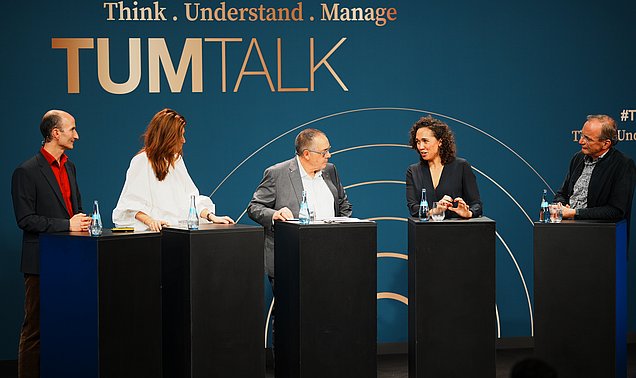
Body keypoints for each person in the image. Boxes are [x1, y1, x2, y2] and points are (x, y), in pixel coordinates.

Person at [11, 110, 92, 378]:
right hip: (41, 263)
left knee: (68, 326)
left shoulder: (70, 166)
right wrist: (66, 225)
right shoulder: (26, 171)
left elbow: (74, 208)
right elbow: (25, 219)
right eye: (72, 129)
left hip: (71, 259)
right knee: (35, 330)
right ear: (55, 133)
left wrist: (81, 223)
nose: (76, 135)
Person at [248, 128, 352, 280]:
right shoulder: (277, 173)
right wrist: (274, 215)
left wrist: (343, 233)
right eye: (324, 152)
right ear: (307, 154)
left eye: (328, 150)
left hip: (330, 256)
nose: (328, 156)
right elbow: (254, 207)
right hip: (291, 258)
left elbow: (343, 203)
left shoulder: (330, 170)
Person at [112, 108, 234, 231]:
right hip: (155, 235)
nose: (183, 140)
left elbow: (191, 198)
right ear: (167, 137)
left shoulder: (176, 161)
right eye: (180, 135)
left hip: (177, 232)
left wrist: (211, 216)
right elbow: (131, 204)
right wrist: (151, 222)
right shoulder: (142, 161)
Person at [554, 114, 636, 220]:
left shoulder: (623, 164)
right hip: (570, 228)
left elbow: (616, 210)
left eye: (588, 139)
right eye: (581, 135)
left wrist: (574, 213)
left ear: (605, 144)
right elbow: (562, 193)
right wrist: (560, 206)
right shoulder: (578, 158)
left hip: (600, 232)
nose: (581, 141)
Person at [406, 115, 482, 219]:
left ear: (440, 142)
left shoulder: (461, 166)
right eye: (418, 142)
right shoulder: (413, 171)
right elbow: (413, 208)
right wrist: (435, 210)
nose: (420, 147)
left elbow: (476, 205)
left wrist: (468, 213)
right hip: (425, 233)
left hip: (458, 231)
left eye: (425, 141)